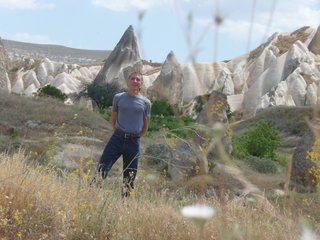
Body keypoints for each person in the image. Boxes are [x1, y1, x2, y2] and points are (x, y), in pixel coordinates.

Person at [95, 72, 151, 197]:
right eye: (133, 79)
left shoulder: (146, 102)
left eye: (138, 79)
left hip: (134, 143)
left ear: (141, 83)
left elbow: (146, 124)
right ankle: (90, 197)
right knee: (102, 169)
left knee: (130, 177)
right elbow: (113, 118)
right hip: (117, 139)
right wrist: (118, 131)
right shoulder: (118, 97)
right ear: (128, 81)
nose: (135, 81)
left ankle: (125, 207)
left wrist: (136, 135)